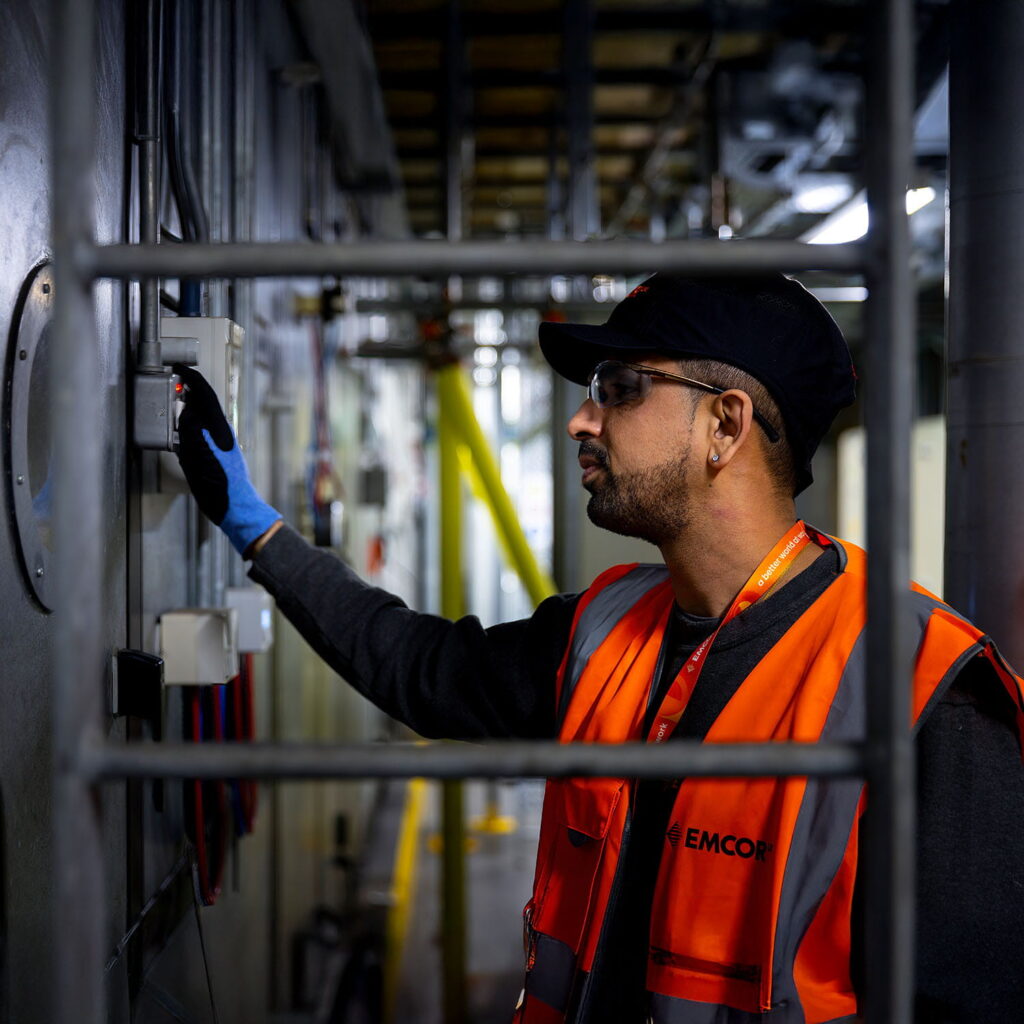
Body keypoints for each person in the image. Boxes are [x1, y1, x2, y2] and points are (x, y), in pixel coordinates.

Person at [174, 273, 1024, 1024]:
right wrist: (255, 526)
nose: (583, 417)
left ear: (724, 427)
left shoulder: (924, 692)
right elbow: (420, 669)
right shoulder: (603, 628)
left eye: (620, 387)